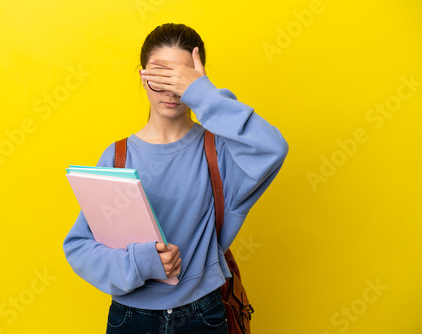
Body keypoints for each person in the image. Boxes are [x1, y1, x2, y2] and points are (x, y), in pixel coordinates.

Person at [63, 23, 289, 334]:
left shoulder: (220, 151)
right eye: (160, 76)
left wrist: (201, 93)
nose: (171, 90)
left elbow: (272, 148)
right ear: (142, 77)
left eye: (180, 79)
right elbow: (80, 247)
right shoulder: (118, 157)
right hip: (131, 318)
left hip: (204, 314)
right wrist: (142, 263)